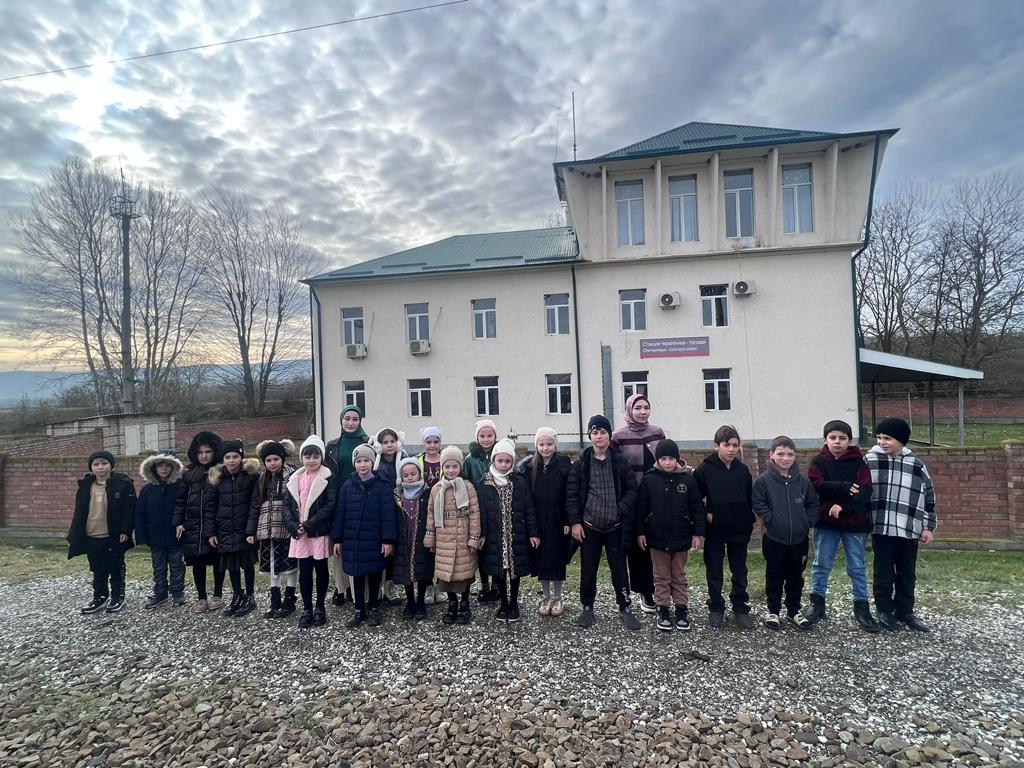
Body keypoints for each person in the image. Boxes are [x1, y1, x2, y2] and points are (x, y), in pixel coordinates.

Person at [567, 415, 642, 630]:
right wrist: (575, 522)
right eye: (595, 432)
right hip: (589, 526)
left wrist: (621, 509)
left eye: (603, 432)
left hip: (615, 527)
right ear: (589, 436)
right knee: (588, 569)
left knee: (619, 569)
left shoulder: (619, 462)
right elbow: (571, 496)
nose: (599, 436)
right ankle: (587, 606)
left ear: (609, 435)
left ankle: (624, 606)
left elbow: (632, 490)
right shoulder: (581, 465)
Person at [805, 419, 878, 633]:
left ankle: (861, 608)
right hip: (825, 522)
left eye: (842, 438)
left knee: (857, 566)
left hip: (854, 522)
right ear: (825, 440)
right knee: (821, 563)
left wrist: (844, 508)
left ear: (850, 441)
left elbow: (865, 491)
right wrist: (845, 487)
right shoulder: (819, 461)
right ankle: (817, 604)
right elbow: (817, 486)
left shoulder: (859, 462)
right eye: (833, 437)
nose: (837, 442)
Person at [866, 418, 937, 632]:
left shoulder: (915, 464)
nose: (882, 442)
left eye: (887, 438)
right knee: (883, 572)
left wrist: (928, 526)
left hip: (909, 527)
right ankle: (884, 610)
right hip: (881, 526)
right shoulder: (869, 460)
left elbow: (929, 496)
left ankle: (905, 611)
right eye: (879, 437)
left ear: (901, 440)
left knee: (907, 572)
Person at [635, 439, 705, 632]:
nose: (667, 462)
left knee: (679, 575)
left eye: (671, 458)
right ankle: (663, 608)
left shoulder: (687, 480)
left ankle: (681, 608)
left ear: (677, 459)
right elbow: (641, 507)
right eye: (664, 458)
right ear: (658, 459)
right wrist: (640, 531)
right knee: (661, 576)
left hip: (681, 536)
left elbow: (697, 508)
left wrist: (697, 533)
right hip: (656, 537)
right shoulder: (649, 479)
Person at [752, 436, 818, 630]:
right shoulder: (764, 481)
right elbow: (758, 503)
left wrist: (806, 522)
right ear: (771, 455)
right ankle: (773, 611)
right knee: (774, 575)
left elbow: (813, 505)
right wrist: (771, 519)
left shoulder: (803, 482)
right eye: (780, 454)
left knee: (796, 577)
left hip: (799, 539)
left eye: (790, 454)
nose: (785, 458)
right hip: (774, 538)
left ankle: (793, 611)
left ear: (795, 456)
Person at [694, 425, 754, 629]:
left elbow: (748, 499)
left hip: (739, 529)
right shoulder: (704, 469)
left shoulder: (742, 470)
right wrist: (707, 515)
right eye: (726, 445)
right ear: (716, 446)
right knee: (715, 571)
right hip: (715, 530)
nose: (731, 449)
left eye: (735, 445)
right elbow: (694, 500)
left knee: (740, 571)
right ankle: (716, 607)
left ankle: (740, 607)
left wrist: (748, 520)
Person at [611, 393, 665, 614]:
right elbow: (614, 469)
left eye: (646, 407)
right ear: (629, 410)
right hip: (633, 499)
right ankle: (645, 591)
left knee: (657, 543)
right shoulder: (618, 436)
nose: (643, 412)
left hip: (657, 497)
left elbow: (667, 459)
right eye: (638, 408)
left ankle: (663, 588)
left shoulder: (657, 432)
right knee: (638, 547)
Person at [332, 443, 396, 628]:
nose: (362, 465)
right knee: (357, 576)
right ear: (354, 463)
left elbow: (388, 515)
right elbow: (340, 514)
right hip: (353, 540)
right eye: (359, 461)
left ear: (372, 462)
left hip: (374, 540)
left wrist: (387, 540)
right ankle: (359, 609)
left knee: (374, 574)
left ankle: (374, 607)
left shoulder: (382, 486)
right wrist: (338, 539)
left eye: (366, 460)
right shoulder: (347, 486)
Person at [67, 450, 137, 614]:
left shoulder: (123, 484)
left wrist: (126, 530)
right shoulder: (86, 486)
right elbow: (79, 512)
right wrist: (75, 534)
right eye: (96, 464)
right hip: (92, 534)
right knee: (98, 568)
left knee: (115, 566)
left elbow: (130, 510)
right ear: (91, 467)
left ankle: (117, 596)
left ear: (111, 465)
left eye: (104, 463)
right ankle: (100, 596)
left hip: (113, 535)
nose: (100, 467)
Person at [477, 438, 539, 622]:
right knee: (499, 570)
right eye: (500, 461)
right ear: (493, 461)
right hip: (495, 535)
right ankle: (503, 603)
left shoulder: (519, 482)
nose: (503, 465)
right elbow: (481, 512)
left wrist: (533, 533)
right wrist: (482, 534)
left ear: (512, 462)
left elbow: (529, 508)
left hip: (515, 533)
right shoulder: (485, 483)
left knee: (514, 570)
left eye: (507, 461)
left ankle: (514, 603)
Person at [423, 446, 482, 625]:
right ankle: (452, 603)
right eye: (447, 466)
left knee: (464, 572)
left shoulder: (468, 487)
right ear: (442, 467)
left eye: (454, 466)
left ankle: (465, 604)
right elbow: (431, 514)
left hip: (463, 536)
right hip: (444, 538)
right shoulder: (437, 489)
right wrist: (430, 537)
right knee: (446, 573)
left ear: (460, 467)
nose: (451, 470)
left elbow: (475, 513)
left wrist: (474, 538)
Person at [284, 435, 336, 628]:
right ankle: (307, 608)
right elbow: (287, 506)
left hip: (317, 532)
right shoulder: (294, 478)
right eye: (307, 456)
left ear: (321, 457)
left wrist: (308, 525)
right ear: (301, 458)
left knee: (321, 570)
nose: (311, 460)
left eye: (315, 456)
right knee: (304, 571)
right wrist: (293, 526)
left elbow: (330, 505)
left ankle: (320, 607)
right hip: (300, 534)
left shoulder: (328, 477)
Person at [205, 439, 260, 617]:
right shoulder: (217, 479)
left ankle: (250, 596)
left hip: (245, 529)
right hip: (225, 529)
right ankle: (237, 594)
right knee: (232, 566)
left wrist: (251, 530)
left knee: (247, 565)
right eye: (227, 457)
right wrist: (211, 532)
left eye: (235, 456)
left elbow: (255, 504)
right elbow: (210, 507)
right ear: (223, 459)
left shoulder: (251, 477)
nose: (231, 461)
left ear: (241, 457)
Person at [520, 427, 572, 618]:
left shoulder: (564, 464)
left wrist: (567, 519)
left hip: (558, 523)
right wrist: (532, 528)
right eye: (541, 444)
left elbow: (569, 494)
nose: (545, 448)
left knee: (557, 561)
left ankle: (557, 596)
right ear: (536, 446)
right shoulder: (530, 467)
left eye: (549, 444)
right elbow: (527, 499)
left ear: (555, 445)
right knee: (541, 561)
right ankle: (546, 595)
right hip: (539, 523)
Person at [173, 431, 226, 612]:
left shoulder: (222, 472)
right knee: (198, 562)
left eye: (208, 452)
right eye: (200, 452)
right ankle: (201, 597)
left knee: (218, 561)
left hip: (216, 524)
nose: (204, 456)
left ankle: (217, 594)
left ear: (215, 452)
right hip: (193, 525)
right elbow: (180, 500)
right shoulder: (188, 475)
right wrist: (178, 522)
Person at [324, 404, 368, 607]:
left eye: (355, 419)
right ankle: (341, 587)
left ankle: (360, 587)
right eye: (347, 419)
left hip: (362, 500)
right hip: (338, 501)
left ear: (360, 421)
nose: (350, 423)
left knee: (361, 545)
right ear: (341, 420)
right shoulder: (332, 445)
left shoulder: (368, 442)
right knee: (339, 546)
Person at [250, 440, 299, 620]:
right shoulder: (262, 479)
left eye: (275, 459)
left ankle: (290, 597)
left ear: (283, 458)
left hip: (287, 526)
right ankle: (275, 598)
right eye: (268, 460)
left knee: (291, 562)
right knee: (272, 562)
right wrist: (251, 531)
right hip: (267, 527)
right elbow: (255, 505)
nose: (272, 463)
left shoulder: (293, 475)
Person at [135, 452, 186, 609]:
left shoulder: (180, 487)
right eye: (160, 465)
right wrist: (141, 536)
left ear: (174, 467)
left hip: (175, 536)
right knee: (158, 566)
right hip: (155, 536)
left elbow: (185, 509)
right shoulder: (147, 490)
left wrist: (183, 525)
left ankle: (177, 592)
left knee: (177, 565)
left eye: (167, 465)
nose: (164, 469)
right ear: (154, 468)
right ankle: (160, 592)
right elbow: (140, 513)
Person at [392, 457, 435, 621]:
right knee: (405, 569)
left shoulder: (427, 492)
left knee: (422, 568)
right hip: (404, 538)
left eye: (413, 474)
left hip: (421, 537)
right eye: (406, 475)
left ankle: (421, 600)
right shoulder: (397, 494)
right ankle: (410, 601)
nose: (410, 478)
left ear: (419, 474)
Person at [369, 427, 407, 604]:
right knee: (381, 549)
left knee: (395, 550)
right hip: (381, 509)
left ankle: (390, 584)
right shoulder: (376, 463)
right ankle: (376, 588)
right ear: (379, 445)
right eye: (385, 442)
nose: (389, 445)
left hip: (400, 508)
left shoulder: (404, 459)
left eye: (392, 441)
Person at [464, 419, 500, 604]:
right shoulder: (470, 459)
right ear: (477, 437)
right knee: (482, 547)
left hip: (496, 507)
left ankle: (497, 585)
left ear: (495, 436)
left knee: (496, 546)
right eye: (482, 436)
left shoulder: (499, 454)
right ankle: (484, 585)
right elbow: (465, 480)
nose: (486, 439)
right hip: (478, 507)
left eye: (489, 435)